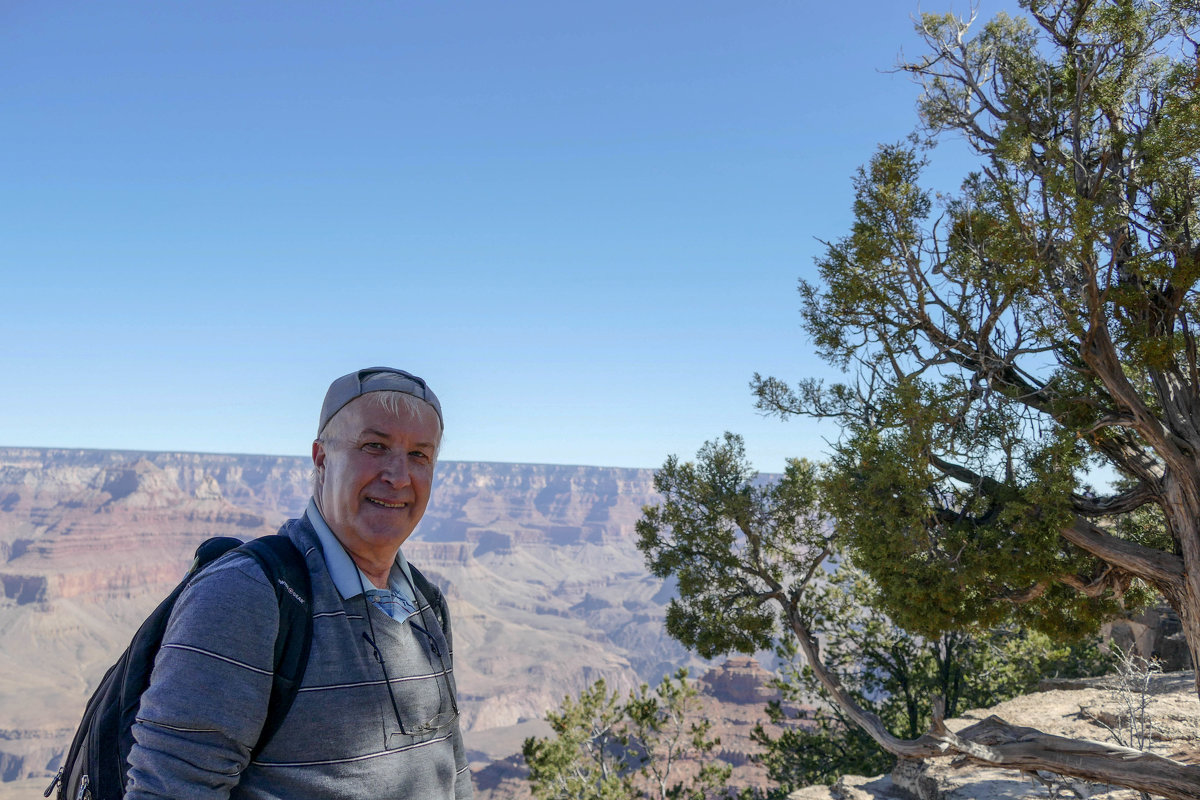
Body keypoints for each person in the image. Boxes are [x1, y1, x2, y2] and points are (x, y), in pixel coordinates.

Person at [126, 367, 473, 799]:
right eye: (374, 446)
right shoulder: (247, 596)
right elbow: (171, 789)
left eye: (420, 455)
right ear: (322, 460)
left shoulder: (426, 603)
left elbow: (451, 770)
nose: (399, 476)